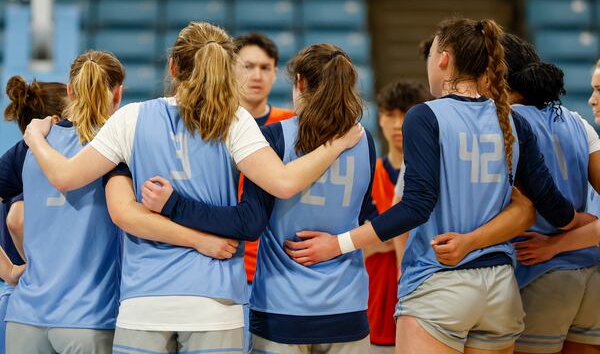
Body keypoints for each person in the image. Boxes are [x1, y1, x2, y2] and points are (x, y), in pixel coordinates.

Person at [22, 22, 362, 353]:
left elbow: (66, 178)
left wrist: (36, 138)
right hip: (215, 300)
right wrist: (336, 145)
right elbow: (285, 183)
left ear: (172, 66)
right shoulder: (234, 120)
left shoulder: (131, 117)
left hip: (145, 300)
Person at [283, 18, 590, 354]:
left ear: (442, 58)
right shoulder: (512, 120)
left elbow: (415, 207)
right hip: (501, 289)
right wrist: (586, 225)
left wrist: (338, 244)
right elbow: (553, 209)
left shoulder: (426, 116)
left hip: (439, 284)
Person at [0, 51, 125, 354]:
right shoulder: (120, 143)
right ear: (118, 93)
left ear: (70, 90)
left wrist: (8, 271)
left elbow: (15, 219)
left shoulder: (31, 143)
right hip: (89, 317)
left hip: (25, 317)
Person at [512, 52, 600, 354]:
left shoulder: (506, 121)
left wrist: (555, 244)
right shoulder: (577, 123)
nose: (591, 99)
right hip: (591, 274)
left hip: (541, 272)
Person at [0, 75, 67, 353]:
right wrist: (16, 271)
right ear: (54, 121)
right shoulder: (35, 160)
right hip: (36, 301)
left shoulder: (18, 155)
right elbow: (18, 218)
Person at [364, 80, 431, 353]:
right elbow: (356, 244)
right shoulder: (366, 174)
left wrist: (375, 237)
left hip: (424, 310)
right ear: (379, 119)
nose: (397, 124)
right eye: (389, 115)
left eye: (405, 114)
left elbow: (369, 239)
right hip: (371, 310)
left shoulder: (432, 179)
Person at [234, 32, 295, 284]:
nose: (257, 75)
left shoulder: (293, 125)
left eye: (265, 67)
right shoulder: (212, 125)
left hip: (281, 264)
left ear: (275, 73)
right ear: (230, 69)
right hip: (226, 261)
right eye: (248, 66)